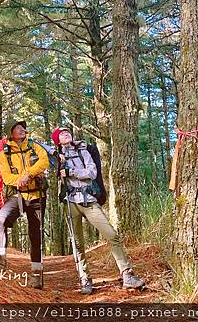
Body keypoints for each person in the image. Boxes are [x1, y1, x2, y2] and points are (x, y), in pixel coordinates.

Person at [51, 126, 145, 295]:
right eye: (61, 134)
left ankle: (127, 274)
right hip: (70, 202)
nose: (66, 133)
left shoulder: (84, 151)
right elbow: (45, 165)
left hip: (89, 200)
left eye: (67, 131)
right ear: (57, 140)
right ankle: (84, 278)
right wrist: (58, 161)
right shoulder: (56, 157)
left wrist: (71, 171)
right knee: (77, 243)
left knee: (111, 235)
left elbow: (92, 172)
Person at [0, 120, 49, 289]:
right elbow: (6, 177)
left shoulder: (34, 146)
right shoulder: (5, 153)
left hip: (37, 196)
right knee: (1, 221)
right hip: (17, 196)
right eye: (18, 128)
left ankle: (36, 274)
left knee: (35, 234)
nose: (22, 129)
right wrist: (20, 181)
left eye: (23, 127)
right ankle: (0, 259)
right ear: (10, 133)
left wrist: (29, 175)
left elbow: (44, 161)